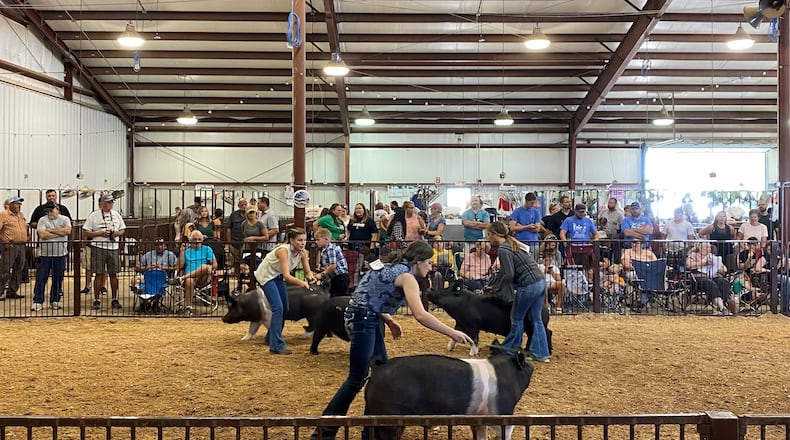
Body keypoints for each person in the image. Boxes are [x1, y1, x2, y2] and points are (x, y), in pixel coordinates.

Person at [311, 240, 474, 440]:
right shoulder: (407, 277)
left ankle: (370, 431)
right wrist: (452, 332)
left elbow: (369, 293)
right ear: (418, 261)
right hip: (364, 320)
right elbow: (421, 315)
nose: (431, 268)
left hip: (363, 317)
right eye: (429, 263)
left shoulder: (389, 265)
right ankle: (323, 433)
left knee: (381, 373)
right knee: (356, 379)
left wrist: (388, 319)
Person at [485, 221, 549, 362]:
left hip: (528, 285)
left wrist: (497, 287)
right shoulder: (514, 244)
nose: (488, 238)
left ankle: (509, 350)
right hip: (540, 282)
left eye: (489, 235)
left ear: (496, 234)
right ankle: (541, 353)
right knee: (536, 319)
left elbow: (508, 274)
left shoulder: (503, 249)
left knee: (517, 318)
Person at [253, 228, 317, 354]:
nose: (302, 243)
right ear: (292, 241)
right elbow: (287, 275)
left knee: (285, 308)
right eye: (299, 240)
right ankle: (276, 345)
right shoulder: (283, 251)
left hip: (277, 275)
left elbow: (307, 271)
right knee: (278, 307)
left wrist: (311, 277)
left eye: (304, 240)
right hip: (266, 275)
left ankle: (270, 337)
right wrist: (302, 283)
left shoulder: (303, 253)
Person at [82, 194, 126, 311]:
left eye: (111, 202)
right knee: (98, 273)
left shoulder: (116, 215)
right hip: (98, 247)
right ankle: (96, 299)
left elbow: (122, 229)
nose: (110, 204)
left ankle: (114, 298)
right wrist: (99, 234)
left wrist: (116, 234)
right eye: (107, 202)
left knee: (114, 273)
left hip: (113, 247)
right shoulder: (93, 216)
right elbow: (86, 232)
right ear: (102, 203)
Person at [32, 205, 71, 311]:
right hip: (45, 254)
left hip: (60, 254)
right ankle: (37, 301)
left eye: (51, 211)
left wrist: (50, 230)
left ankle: (55, 300)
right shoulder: (42, 220)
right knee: (41, 278)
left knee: (58, 278)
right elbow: (42, 235)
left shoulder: (65, 219)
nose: (49, 213)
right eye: (47, 211)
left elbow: (67, 231)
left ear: (57, 210)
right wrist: (59, 233)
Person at [173, 230, 218, 317]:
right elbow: (178, 266)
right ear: (190, 240)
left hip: (203, 277)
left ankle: (181, 278)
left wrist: (211, 267)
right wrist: (182, 252)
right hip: (190, 279)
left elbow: (215, 264)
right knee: (189, 281)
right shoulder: (186, 251)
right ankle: (189, 308)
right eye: (194, 239)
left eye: (199, 239)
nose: (197, 241)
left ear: (202, 240)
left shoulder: (207, 249)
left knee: (205, 267)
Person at [685, 242, 731, 315]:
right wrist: (703, 263)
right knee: (710, 283)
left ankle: (719, 305)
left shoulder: (713, 257)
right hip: (699, 278)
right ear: (700, 248)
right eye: (706, 247)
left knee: (723, 282)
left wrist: (719, 268)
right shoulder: (693, 255)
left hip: (713, 276)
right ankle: (722, 307)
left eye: (710, 247)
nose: (709, 249)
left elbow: (725, 269)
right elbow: (688, 265)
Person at [0, 196, 28, 301]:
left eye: (20, 204)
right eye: (17, 204)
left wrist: (27, 235)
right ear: (10, 204)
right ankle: (0, 291)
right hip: (10, 245)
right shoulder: (3, 215)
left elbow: (25, 226)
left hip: (21, 245)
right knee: (5, 268)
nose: (19, 206)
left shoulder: (21, 215)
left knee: (19, 268)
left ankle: (12, 290)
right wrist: (4, 240)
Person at [314, 227, 349, 297]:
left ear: (326, 239)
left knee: (338, 297)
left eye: (318, 240)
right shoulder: (324, 249)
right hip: (336, 277)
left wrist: (321, 275)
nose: (316, 242)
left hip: (340, 277)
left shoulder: (330, 249)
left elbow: (333, 265)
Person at [509, 192, 543, 260]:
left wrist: (520, 226)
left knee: (534, 263)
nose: (532, 205)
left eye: (534, 203)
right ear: (526, 201)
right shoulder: (517, 211)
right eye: (531, 203)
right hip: (520, 243)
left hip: (533, 243)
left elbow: (537, 229)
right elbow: (512, 228)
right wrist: (528, 227)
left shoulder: (536, 212)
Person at [225, 198, 248, 269]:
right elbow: (229, 228)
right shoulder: (233, 215)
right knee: (236, 263)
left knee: (246, 262)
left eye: (245, 204)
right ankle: (237, 278)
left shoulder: (250, 214)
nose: (244, 206)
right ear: (238, 206)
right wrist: (229, 242)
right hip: (234, 243)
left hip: (246, 244)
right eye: (242, 205)